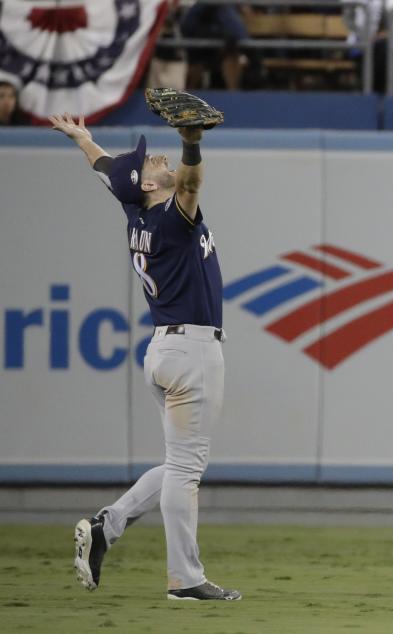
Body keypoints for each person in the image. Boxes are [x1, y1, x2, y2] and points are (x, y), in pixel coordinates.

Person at [49, 113, 240, 601]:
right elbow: (192, 178)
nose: (154, 157)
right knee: (186, 469)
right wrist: (191, 141)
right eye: (151, 161)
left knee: (178, 464)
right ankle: (185, 579)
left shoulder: (136, 209)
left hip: (164, 349)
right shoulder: (170, 218)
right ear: (151, 185)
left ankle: (105, 527)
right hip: (192, 350)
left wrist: (83, 139)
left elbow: (108, 169)